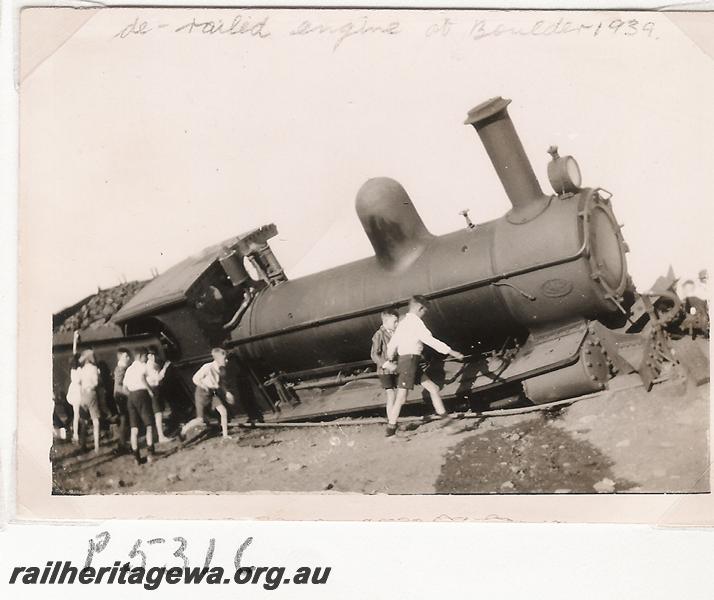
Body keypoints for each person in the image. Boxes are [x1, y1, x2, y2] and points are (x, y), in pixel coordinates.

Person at [384, 295, 464, 437]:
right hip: (409, 362)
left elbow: (393, 343)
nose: (424, 314)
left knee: (433, 389)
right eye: (424, 311)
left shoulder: (403, 323)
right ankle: (390, 433)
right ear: (420, 308)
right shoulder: (416, 323)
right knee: (401, 398)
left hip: (411, 362)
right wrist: (451, 352)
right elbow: (430, 340)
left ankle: (448, 424)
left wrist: (390, 356)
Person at [180, 348, 233, 441]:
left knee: (223, 411)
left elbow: (221, 384)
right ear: (217, 359)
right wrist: (204, 386)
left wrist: (227, 392)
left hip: (212, 393)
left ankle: (225, 436)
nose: (226, 361)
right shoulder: (207, 367)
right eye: (224, 359)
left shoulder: (222, 370)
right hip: (201, 394)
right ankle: (184, 429)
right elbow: (195, 379)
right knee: (200, 420)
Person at [123, 347, 156, 464]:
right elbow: (146, 378)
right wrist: (149, 391)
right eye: (146, 356)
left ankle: (136, 456)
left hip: (131, 396)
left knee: (134, 428)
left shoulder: (129, 369)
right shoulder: (143, 367)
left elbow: (124, 388)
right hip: (142, 394)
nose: (147, 358)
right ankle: (150, 453)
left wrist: (132, 396)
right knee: (149, 425)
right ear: (141, 356)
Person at [370, 309, 399, 424]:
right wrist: (386, 364)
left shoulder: (395, 332)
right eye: (394, 322)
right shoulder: (379, 334)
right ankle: (391, 422)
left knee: (398, 394)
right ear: (385, 322)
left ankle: (393, 419)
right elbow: (374, 354)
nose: (397, 324)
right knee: (391, 394)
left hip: (395, 368)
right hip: (385, 370)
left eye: (397, 322)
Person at [76, 349, 102, 453]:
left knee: (84, 421)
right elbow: (96, 382)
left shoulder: (82, 369)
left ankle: (83, 445)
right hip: (91, 393)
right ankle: (96, 446)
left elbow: (78, 382)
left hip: (83, 395)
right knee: (96, 421)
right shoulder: (94, 368)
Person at [146, 347, 172, 443]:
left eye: (153, 355)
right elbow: (158, 378)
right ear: (148, 356)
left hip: (155, 389)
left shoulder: (152, 364)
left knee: (158, 413)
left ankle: (158, 435)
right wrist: (165, 368)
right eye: (150, 355)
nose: (152, 357)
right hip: (153, 389)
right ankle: (161, 436)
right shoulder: (151, 365)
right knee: (158, 413)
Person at [112, 348, 132, 454]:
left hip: (120, 395)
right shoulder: (121, 368)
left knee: (125, 420)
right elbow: (120, 384)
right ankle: (122, 444)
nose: (128, 358)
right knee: (125, 420)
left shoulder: (121, 367)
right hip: (122, 396)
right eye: (126, 356)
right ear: (120, 357)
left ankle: (122, 443)